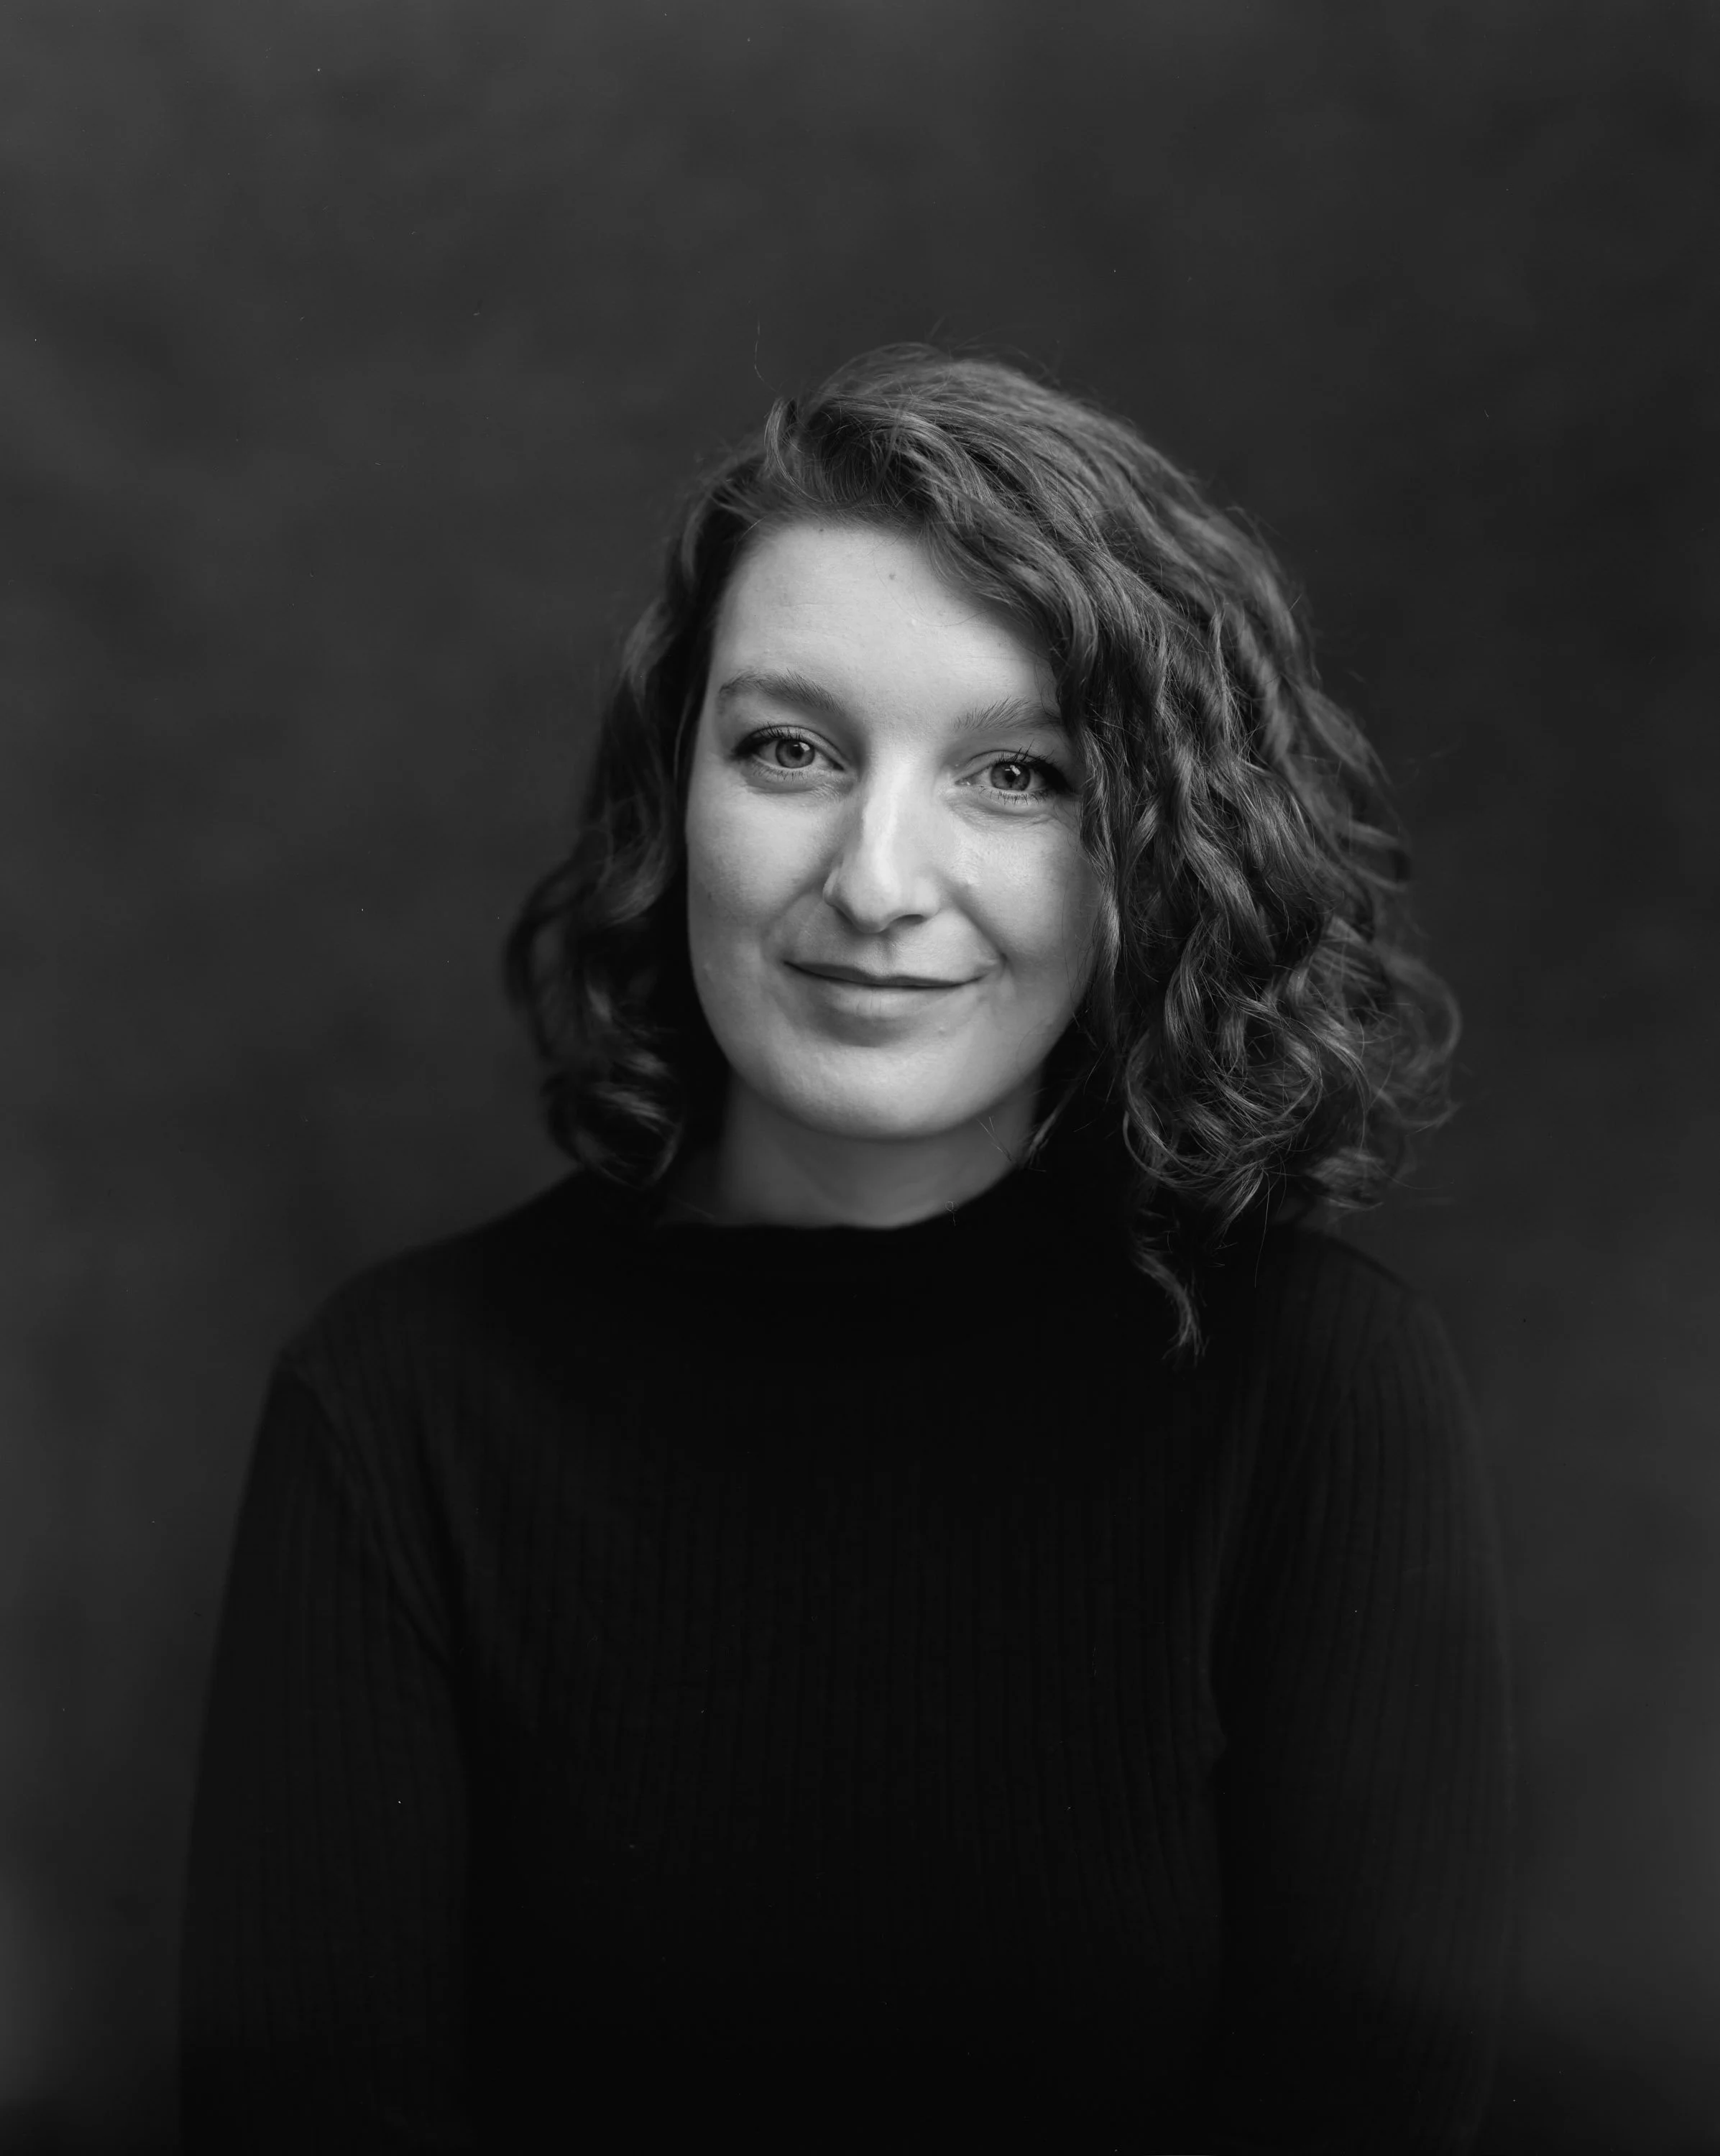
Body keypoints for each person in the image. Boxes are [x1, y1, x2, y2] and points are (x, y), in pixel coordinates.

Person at [180, 347, 1513, 2155]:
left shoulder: (1314, 1393)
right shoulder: (396, 1405)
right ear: (676, 802)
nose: (877, 880)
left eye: (1017, 773)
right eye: (790, 750)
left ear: (1156, 855)